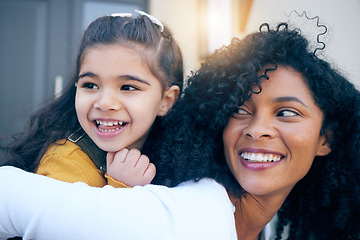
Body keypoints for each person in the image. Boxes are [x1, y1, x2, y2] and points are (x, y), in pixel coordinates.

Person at [0, 21, 359, 240]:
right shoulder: (191, 216)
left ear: (325, 138)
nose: (259, 129)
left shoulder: (264, 221)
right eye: (239, 110)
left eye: (285, 112)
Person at [1, 10, 183, 188]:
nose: (104, 103)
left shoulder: (174, 157)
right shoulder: (66, 166)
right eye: (90, 85)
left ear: (166, 101)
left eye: (128, 87)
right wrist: (121, 187)